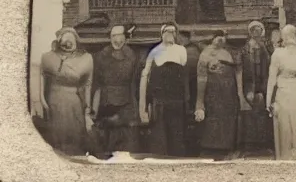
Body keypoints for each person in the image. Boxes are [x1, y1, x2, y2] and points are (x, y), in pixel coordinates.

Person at [194, 30, 249, 160]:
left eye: (223, 37)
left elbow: (237, 73)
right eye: (218, 37)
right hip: (213, 94)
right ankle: (211, 150)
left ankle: (227, 148)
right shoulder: (205, 54)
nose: (221, 40)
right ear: (212, 39)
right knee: (213, 121)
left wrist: (239, 94)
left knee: (229, 121)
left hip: (229, 94)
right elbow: (201, 77)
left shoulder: (228, 53)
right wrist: (199, 103)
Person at [39, 27, 93, 156]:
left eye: (71, 39)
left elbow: (88, 84)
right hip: (54, 101)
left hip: (74, 102)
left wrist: (88, 108)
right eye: (65, 39)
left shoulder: (86, 59)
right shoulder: (48, 57)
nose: (68, 43)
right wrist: (41, 99)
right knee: (56, 134)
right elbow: (41, 77)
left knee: (75, 133)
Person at [139, 23, 190, 157]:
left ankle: (177, 157)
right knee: (159, 131)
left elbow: (184, 73)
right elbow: (145, 75)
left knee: (177, 130)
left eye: (172, 32)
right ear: (161, 34)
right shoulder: (155, 51)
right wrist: (143, 107)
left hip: (176, 98)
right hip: (160, 98)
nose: (170, 34)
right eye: (167, 31)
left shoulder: (181, 50)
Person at [90, 25, 141, 156]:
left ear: (125, 37)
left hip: (126, 101)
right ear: (110, 38)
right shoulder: (102, 55)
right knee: (106, 137)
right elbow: (96, 81)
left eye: (119, 35)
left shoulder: (132, 56)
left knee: (125, 137)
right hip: (106, 101)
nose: (117, 39)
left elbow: (135, 81)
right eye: (113, 36)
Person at [266, 24, 296, 160]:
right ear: (283, 38)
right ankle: (284, 157)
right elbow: (271, 79)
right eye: (286, 35)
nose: (289, 38)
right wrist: (268, 101)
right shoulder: (278, 53)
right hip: (281, 93)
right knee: (283, 126)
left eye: (292, 35)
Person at [240, 20, 273, 154]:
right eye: (254, 30)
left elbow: (270, 62)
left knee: (263, 113)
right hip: (250, 83)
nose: (256, 33)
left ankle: (263, 143)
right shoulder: (245, 49)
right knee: (250, 112)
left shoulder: (265, 47)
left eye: (259, 30)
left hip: (263, 83)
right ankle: (251, 143)